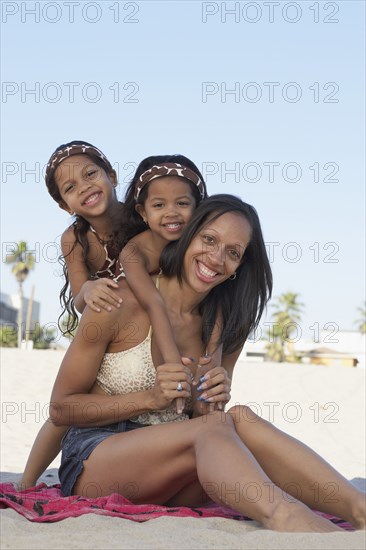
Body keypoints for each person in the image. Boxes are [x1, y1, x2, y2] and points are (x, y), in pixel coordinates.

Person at [49, 194, 365, 532]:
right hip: (96, 461)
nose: (216, 258)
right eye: (209, 239)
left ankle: (358, 509)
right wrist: (151, 399)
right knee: (214, 428)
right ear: (187, 235)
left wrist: (208, 401)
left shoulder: (226, 324)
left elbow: (207, 422)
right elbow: (61, 409)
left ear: (239, 266)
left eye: (233, 253)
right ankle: (288, 518)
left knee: (238, 417)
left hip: (177, 471)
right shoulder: (118, 301)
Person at [19, 150, 214, 488]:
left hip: (149, 317)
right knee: (71, 406)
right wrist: (91, 289)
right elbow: (81, 296)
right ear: (65, 206)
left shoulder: (141, 216)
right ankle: (26, 481)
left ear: (111, 176)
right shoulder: (76, 239)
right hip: (108, 318)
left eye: (91, 175)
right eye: (70, 187)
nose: (84, 187)